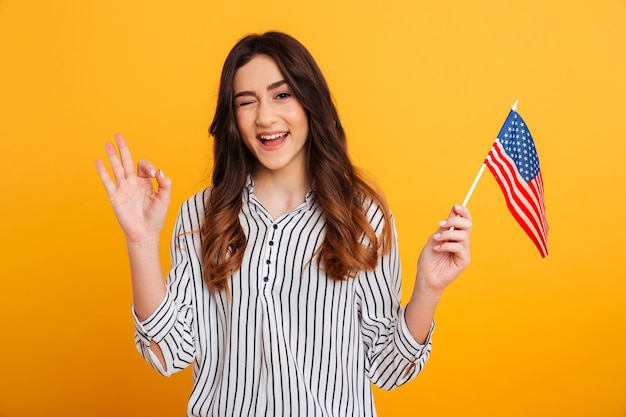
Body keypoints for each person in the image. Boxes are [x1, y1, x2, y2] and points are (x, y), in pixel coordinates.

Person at [95, 31, 471, 417]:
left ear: (311, 103)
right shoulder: (201, 216)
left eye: (282, 95)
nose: (265, 117)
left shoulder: (360, 216)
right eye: (246, 102)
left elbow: (387, 368)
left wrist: (427, 288)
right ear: (233, 119)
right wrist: (140, 241)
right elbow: (167, 353)